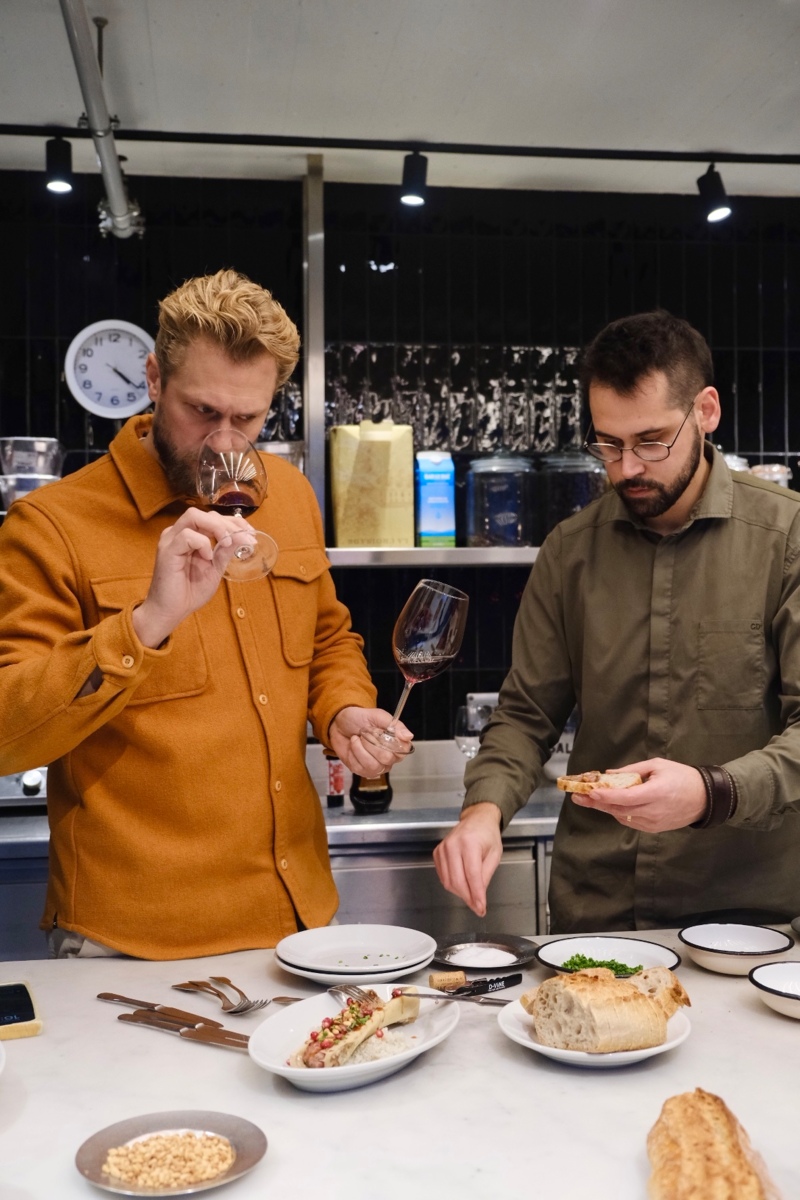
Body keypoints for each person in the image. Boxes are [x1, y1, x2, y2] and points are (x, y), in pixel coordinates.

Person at [0, 269, 410, 959]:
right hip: (134, 944)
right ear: (155, 379)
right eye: (202, 412)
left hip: (300, 921)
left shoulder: (291, 495)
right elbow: (11, 735)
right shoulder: (52, 525)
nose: (225, 442)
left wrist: (342, 710)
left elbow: (329, 636)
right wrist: (147, 622)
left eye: (248, 418)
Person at [434, 309, 800, 932]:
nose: (626, 467)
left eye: (651, 441)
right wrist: (482, 811)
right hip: (596, 911)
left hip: (746, 916)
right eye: (607, 443)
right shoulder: (570, 550)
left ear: (706, 412)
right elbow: (526, 716)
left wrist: (712, 791)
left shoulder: (786, 537)